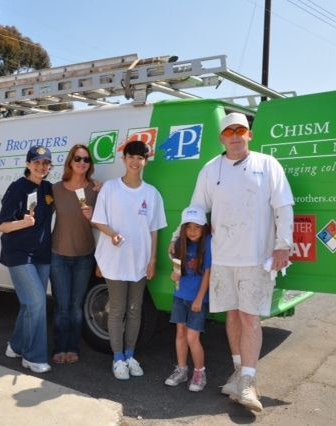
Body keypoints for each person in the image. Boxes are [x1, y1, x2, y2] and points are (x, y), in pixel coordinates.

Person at [189, 112, 294, 411]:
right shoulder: (211, 170)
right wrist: (178, 237)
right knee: (232, 316)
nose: (235, 135)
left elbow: (283, 206)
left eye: (241, 130)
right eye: (229, 131)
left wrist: (282, 246)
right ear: (222, 137)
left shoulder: (267, 165)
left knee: (250, 317)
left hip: (256, 259)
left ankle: (248, 383)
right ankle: (237, 372)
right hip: (222, 259)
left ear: (250, 135)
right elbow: (197, 208)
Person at [92, 140, 167, 380]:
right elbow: (98, 220)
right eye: (131, 157)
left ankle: (130, 355)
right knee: (117, 310)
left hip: (140, 261)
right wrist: (112, 234)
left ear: (145, 161)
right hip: (114, 261)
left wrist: (153, 259)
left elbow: (155, 229)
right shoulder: (111, 188)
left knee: (135, 311)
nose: (135, 162)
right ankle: (117, 359)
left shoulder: (151, 193)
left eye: (140, 158)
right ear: (124, 160)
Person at [0, 145, 55, 374]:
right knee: (37, 302)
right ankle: (32, 356)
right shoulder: (17, 188)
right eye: (37, 162)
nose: (41, 167)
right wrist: (23, 222)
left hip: (41, 254)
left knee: (31, 305)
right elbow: (2, 225)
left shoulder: (50, 189)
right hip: (19, 255)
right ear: (28, 164)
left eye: (45, 163)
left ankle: (16, 346)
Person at [49, 144, 98, 364]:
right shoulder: (56, 189)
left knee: (76, 307)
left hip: (84, 256)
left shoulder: (96, 190)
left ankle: (73, 347)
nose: (81, 163)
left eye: (86, 159)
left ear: (90, 164)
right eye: (77, 158)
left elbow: (102, 224)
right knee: (62, 306)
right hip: (58, 255)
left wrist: (92, 216)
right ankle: (60, 347)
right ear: (70, 161)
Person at [164, 205, 211, 392]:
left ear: (204, 228)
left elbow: (208, 272)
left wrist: (200, 298)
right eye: (189, 227)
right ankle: (182, 370)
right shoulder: (179, 244)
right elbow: (176, 271)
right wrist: (174, 276)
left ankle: (200, 372)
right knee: (180, 334)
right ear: (183, 228)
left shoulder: (207, 243)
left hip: (197, 299)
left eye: (197, 227)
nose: (193, 231)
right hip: (180, 296)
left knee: (193, 337)